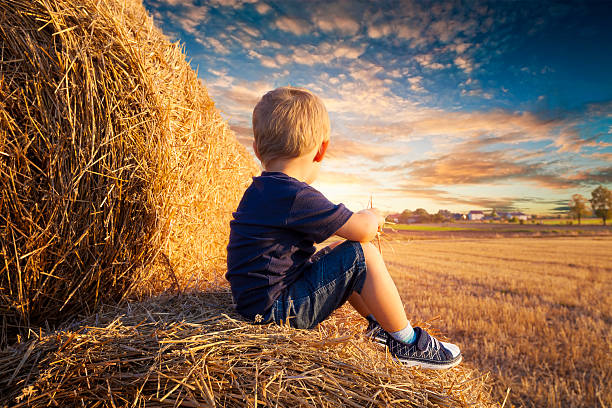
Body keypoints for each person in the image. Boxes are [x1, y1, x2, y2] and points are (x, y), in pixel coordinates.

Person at [226, 86, 461, 369]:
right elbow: (362, 231)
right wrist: (374, 215)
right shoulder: (293, 194)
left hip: (257, 305)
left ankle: (379, 328)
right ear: (322, 150)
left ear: (256, 149)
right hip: (276, 312)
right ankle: (408, 344)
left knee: (339, 254)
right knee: (363, 255)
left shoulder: (263, 190)